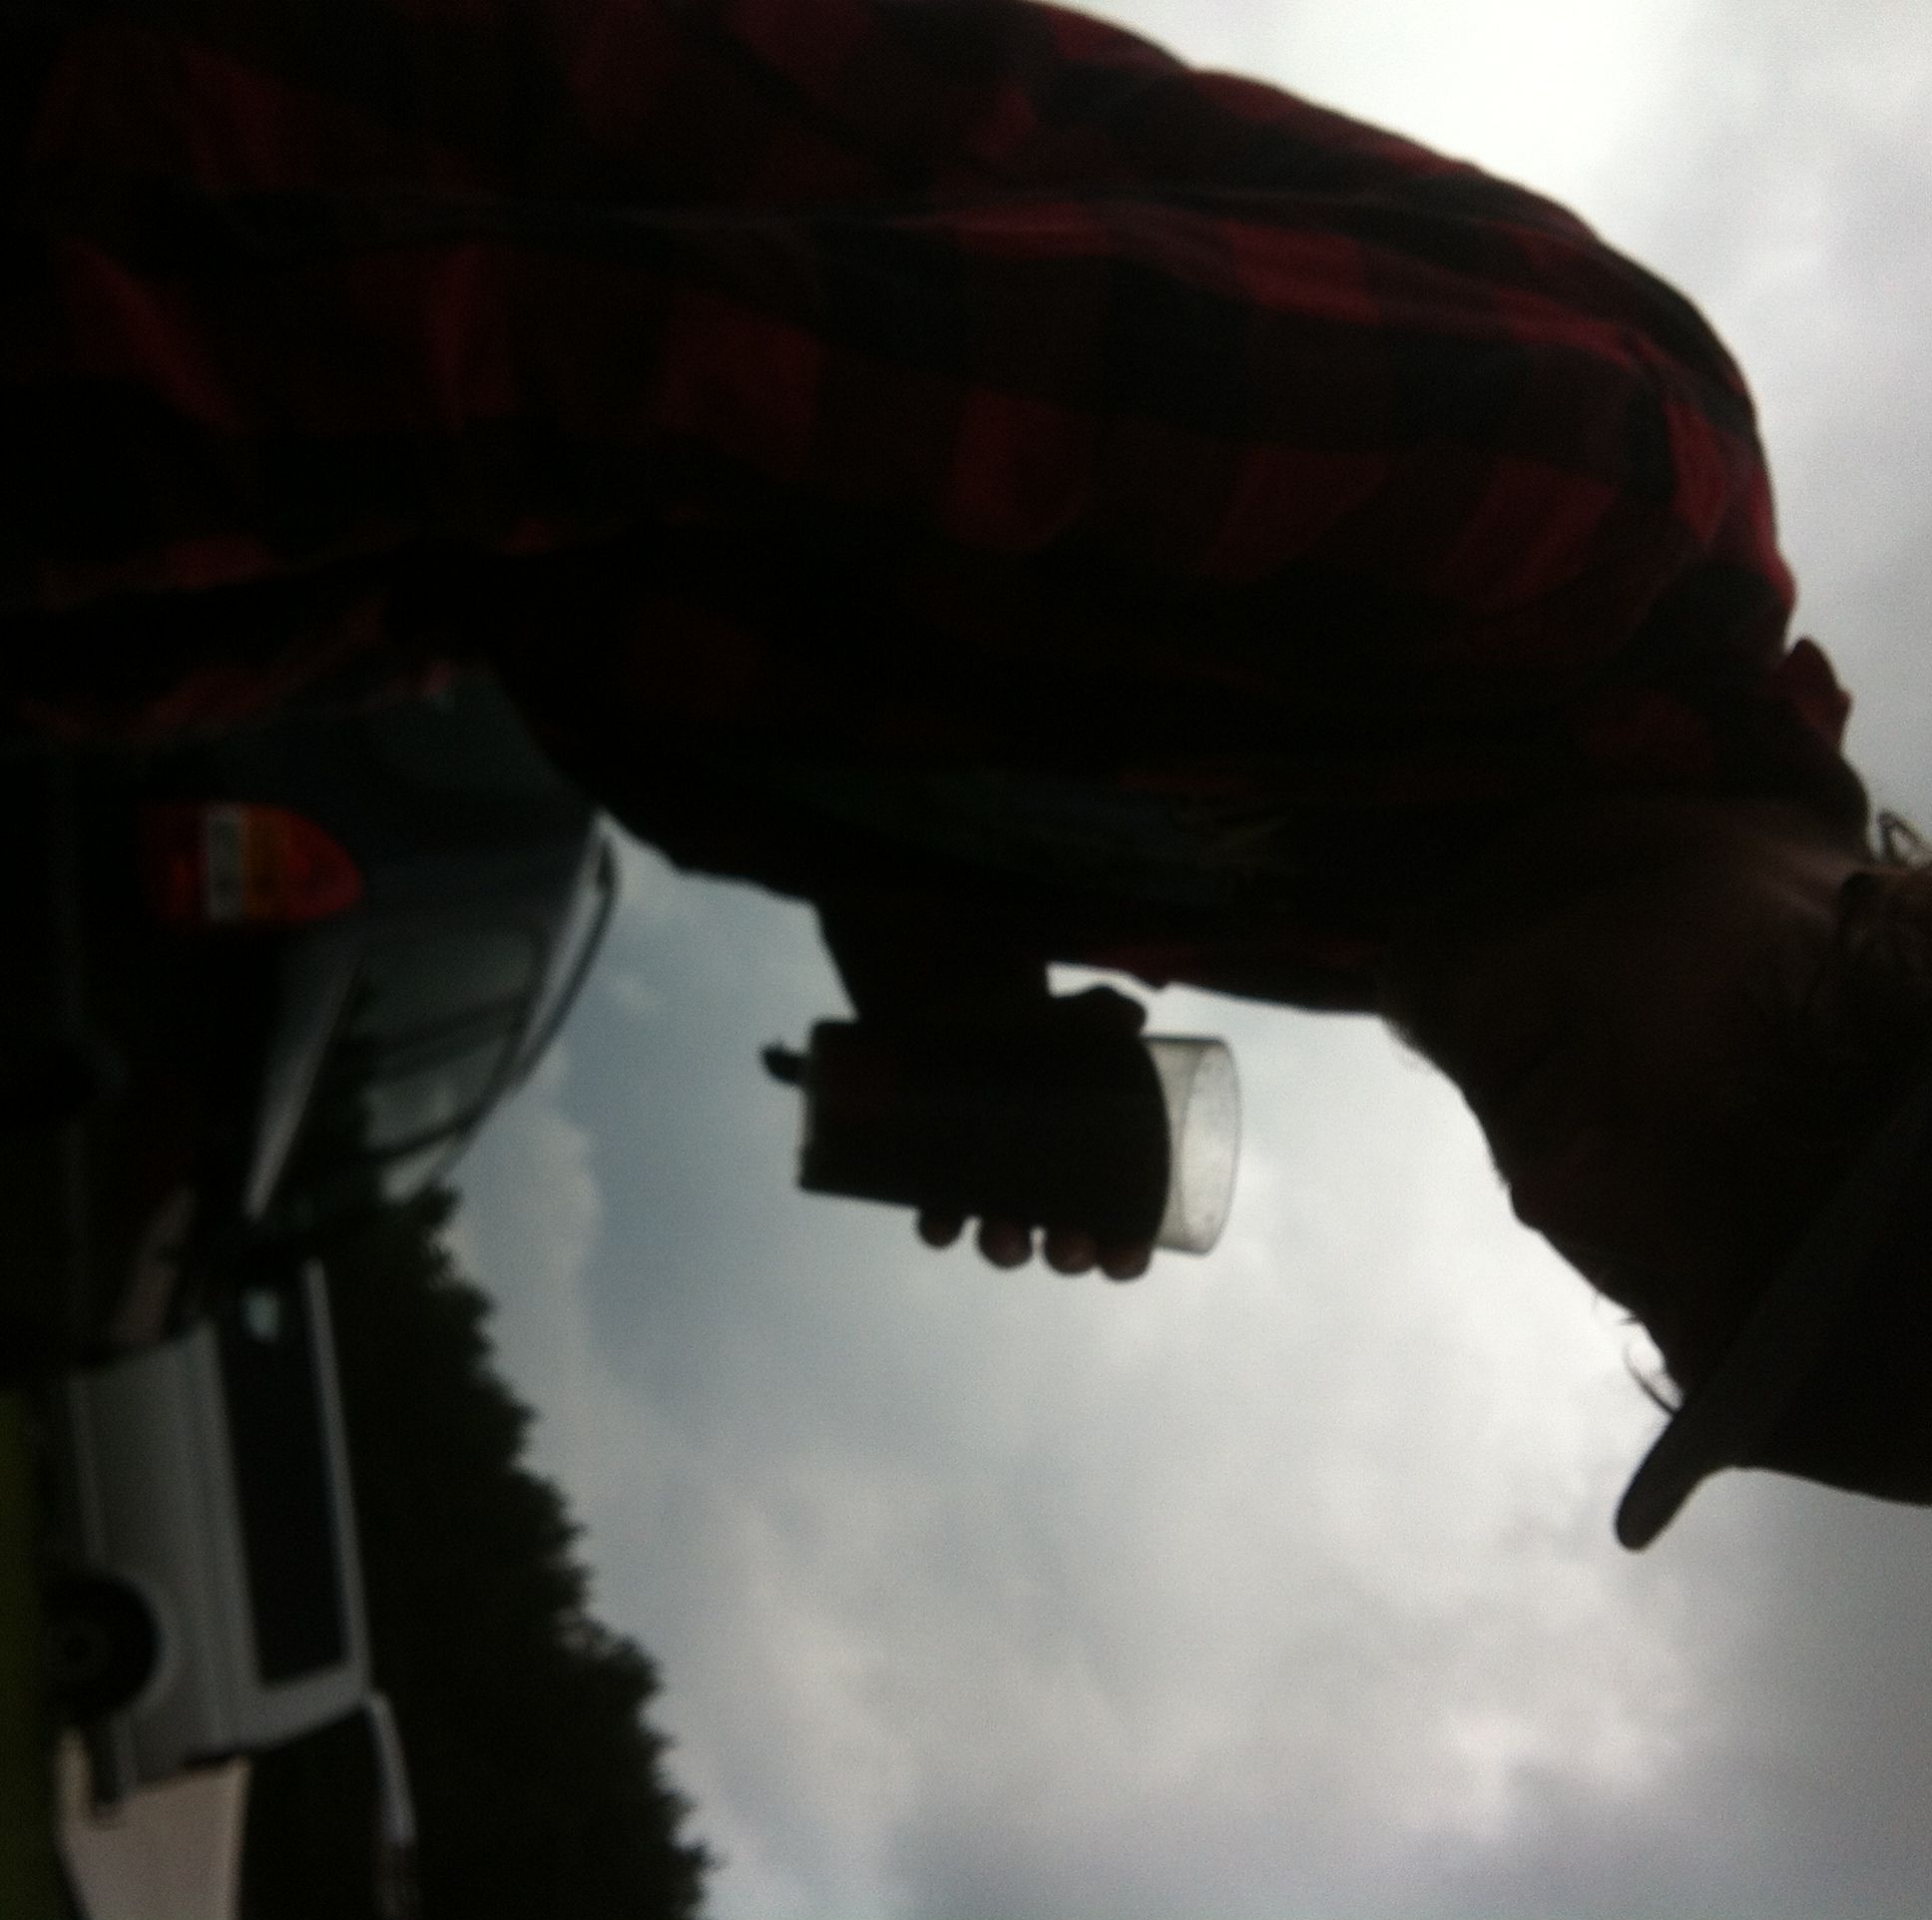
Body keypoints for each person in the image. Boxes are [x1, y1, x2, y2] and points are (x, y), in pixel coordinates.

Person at [7, 0, 1929, 1538]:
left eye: (1645, 1289)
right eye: (1743, 1153)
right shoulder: (1567, 517)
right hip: (275, 150)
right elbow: (625, 360)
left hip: (387, 547)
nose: (1562, 1188)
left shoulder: (1426, 906)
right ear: (1892, 930)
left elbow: (822, 668)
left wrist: (956, 998)